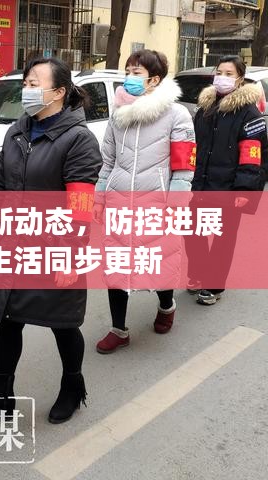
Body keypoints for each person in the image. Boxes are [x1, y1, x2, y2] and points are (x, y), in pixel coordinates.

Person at [0, 57, 102, 428]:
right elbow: (0, 187)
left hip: (55, 248)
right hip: (12, 247)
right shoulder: (16, 132)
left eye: (34, 83)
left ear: (58, 92)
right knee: (7, 322)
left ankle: (72, 387)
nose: (27, 89)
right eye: (26, 82)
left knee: (63, 323)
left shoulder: (78, 140)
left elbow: (80, 208)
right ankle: (0, 398)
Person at [93, 49, 196, 354]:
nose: (129, 77)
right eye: (128, 71)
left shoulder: (177, 115)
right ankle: (118, 329)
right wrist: (100, 197)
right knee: (116, 266)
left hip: (158, 205)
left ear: (154, 79)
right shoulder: (118, 114)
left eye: (136, 73)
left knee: (160, 262)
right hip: (119, 203)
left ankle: (166, 305)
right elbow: (107, 160)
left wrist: (176, 204)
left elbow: (184, 166)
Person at [186, 55, 267, 305]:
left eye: (229, 74)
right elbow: (194, 145)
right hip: (200, 184)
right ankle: (198, 273)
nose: (222, 77)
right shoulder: (205, 108)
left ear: (240, 78)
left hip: (229, 187)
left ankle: (213, 285)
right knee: (193, 233)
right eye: (219, 72)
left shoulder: (249, 113)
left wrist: (244, 189)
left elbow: (253, 154)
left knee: (223, 240)